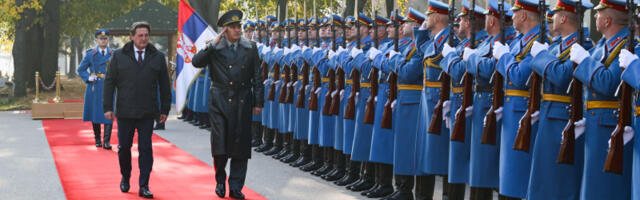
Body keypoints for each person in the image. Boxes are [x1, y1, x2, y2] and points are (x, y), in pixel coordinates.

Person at [192, 10, 264, 199]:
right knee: (221, 148)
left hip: (242, 101)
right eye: (233, 27)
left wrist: (258, 101)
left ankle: (236, 186)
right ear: (224, 30)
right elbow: (196, 62)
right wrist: (211, 46)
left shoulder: (250, 48)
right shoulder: (215, 48)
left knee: (240, 148)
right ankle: (219, 181)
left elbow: (257, 76)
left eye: (239, 26)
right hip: (220, 102)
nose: (237, 30)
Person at [103, 21, 171, 199]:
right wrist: (107, 107)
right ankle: (125, 177)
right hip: (125, 111)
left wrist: (165, 109)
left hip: (147, 111)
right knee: (124, 147)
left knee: (146, 148)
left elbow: (165, 85)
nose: (143, 39)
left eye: (146, 35)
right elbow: (109, 82)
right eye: (140, 35)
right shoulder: (119, 56)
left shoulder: (157, 56)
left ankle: (144, 185)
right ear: (132, 37)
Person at [78, 29, 114, 149]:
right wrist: (88, 77)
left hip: (109, 86)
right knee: (95, 113)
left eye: (105, 39)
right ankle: (98, 139)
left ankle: (107, 141)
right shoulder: (90, 54)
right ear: (97, 40)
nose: (103, 41)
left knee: (109, 111)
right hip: (95, 86)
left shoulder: (113, 54)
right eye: (101, 39)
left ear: (108, 40)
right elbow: (81, 69)